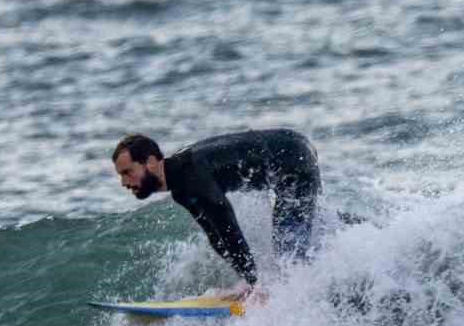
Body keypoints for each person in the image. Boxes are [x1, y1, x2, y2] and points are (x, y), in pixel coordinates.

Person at [111, 128, 321, 299]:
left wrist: (254, 282)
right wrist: (247, 279)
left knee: (290, 253)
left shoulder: (190, 177)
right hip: (292, 147)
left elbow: (225, 220)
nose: (123, 183)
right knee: (290, 240)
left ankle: (299, 296)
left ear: (150, 162)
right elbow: (216, 236)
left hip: (294, 158)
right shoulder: (181, 188)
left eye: (128, 172)